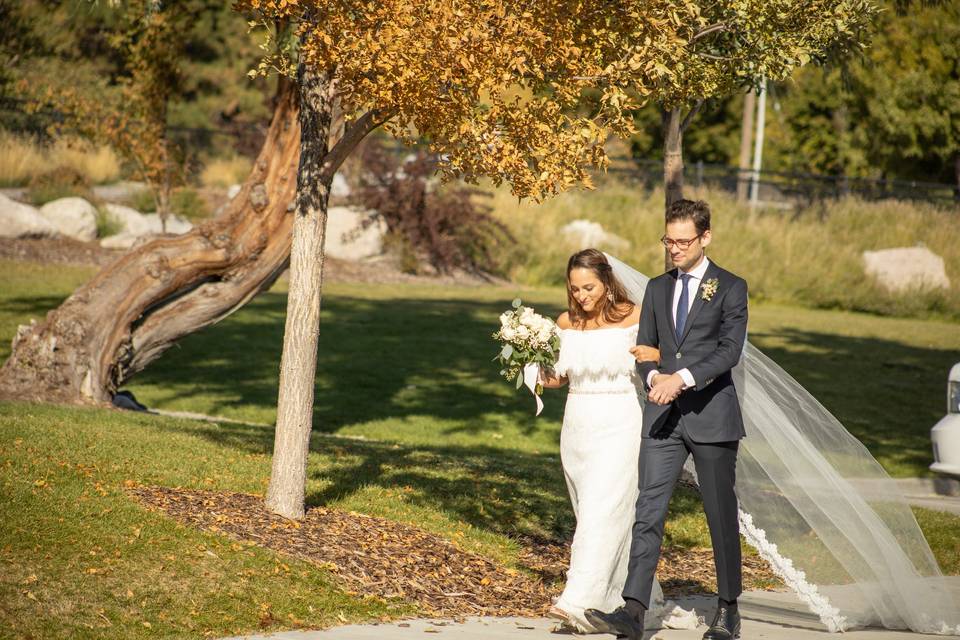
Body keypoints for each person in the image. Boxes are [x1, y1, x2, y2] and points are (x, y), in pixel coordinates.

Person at [585, 199, 746, 640]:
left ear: (705, 237)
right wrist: (655, 376)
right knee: (648, 511)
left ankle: (728, 609)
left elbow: (729, 351)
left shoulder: (731, 287)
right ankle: (632, 612)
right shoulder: (656, 288)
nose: (673, 249)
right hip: (662, 419)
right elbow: (646, 348)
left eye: (682, 241)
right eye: (668, 240)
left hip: (712, 417)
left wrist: (682, 378)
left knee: (719, 515)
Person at [538, 248, 695, 632]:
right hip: (577, 428)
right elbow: (558, 378)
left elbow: (658, 360)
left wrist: (657, 361)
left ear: (607, 283)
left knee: (601, 512)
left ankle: (577, 602)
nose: (581, 296)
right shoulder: (566, 322)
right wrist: (530, 357)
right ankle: (622, 598)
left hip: (620, 424)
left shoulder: (636, 317)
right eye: (575, 289)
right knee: (593, 514)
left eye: (588, 287)